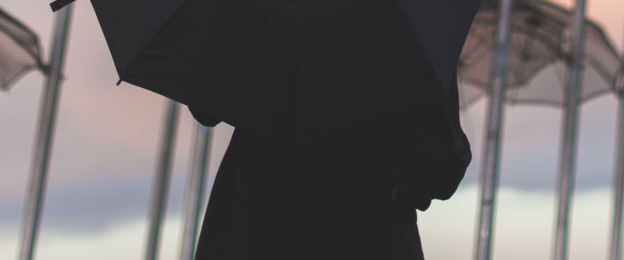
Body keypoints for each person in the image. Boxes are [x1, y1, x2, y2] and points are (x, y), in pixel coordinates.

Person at [191, 82, 471, 260]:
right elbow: (438, 169)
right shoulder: (405, 16)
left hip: (254, 223)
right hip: (365, 232)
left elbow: (205, 102)